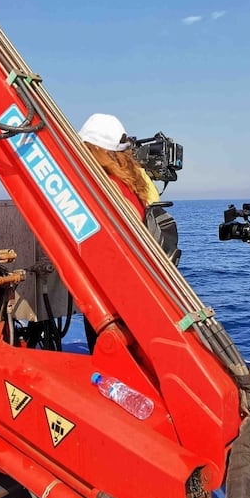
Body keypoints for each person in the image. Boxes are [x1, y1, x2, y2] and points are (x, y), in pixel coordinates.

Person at [78, 112, 167, 351]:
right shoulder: (135, 180)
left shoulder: (104, 187)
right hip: (136, 285)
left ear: (96, 149)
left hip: (111, 290)